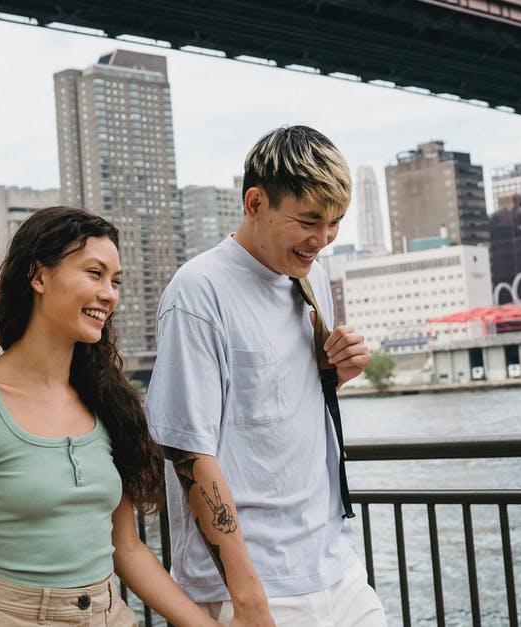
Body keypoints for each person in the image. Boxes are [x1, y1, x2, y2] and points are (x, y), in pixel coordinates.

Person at [145, 126, 386, 626]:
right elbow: (190, 453)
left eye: (335, 224)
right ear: (256, 203)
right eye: (309, 221)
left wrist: (339, 371)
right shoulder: (198, 292)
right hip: (253, 588)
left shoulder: (311, 273)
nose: (321, 240)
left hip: (336, 567)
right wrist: (248, 597)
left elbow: (276, 404)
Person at [0, 206, 221, 626]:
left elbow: (127, 548)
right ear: (39, 276)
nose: (110, 293)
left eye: (116, 281)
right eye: (94, 273)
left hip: (111, 614)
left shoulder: (106, 400)